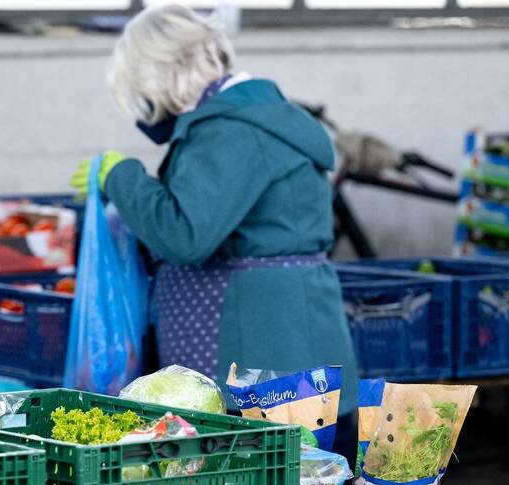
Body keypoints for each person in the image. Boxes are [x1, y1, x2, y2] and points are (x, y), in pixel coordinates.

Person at [70, 3, 359, 440]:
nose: (147, 110)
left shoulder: (231, 131)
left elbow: (185, 234)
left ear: (164, 73)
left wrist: (121, 176)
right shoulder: (248, 121)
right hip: (288, 340)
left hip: (266, 357)